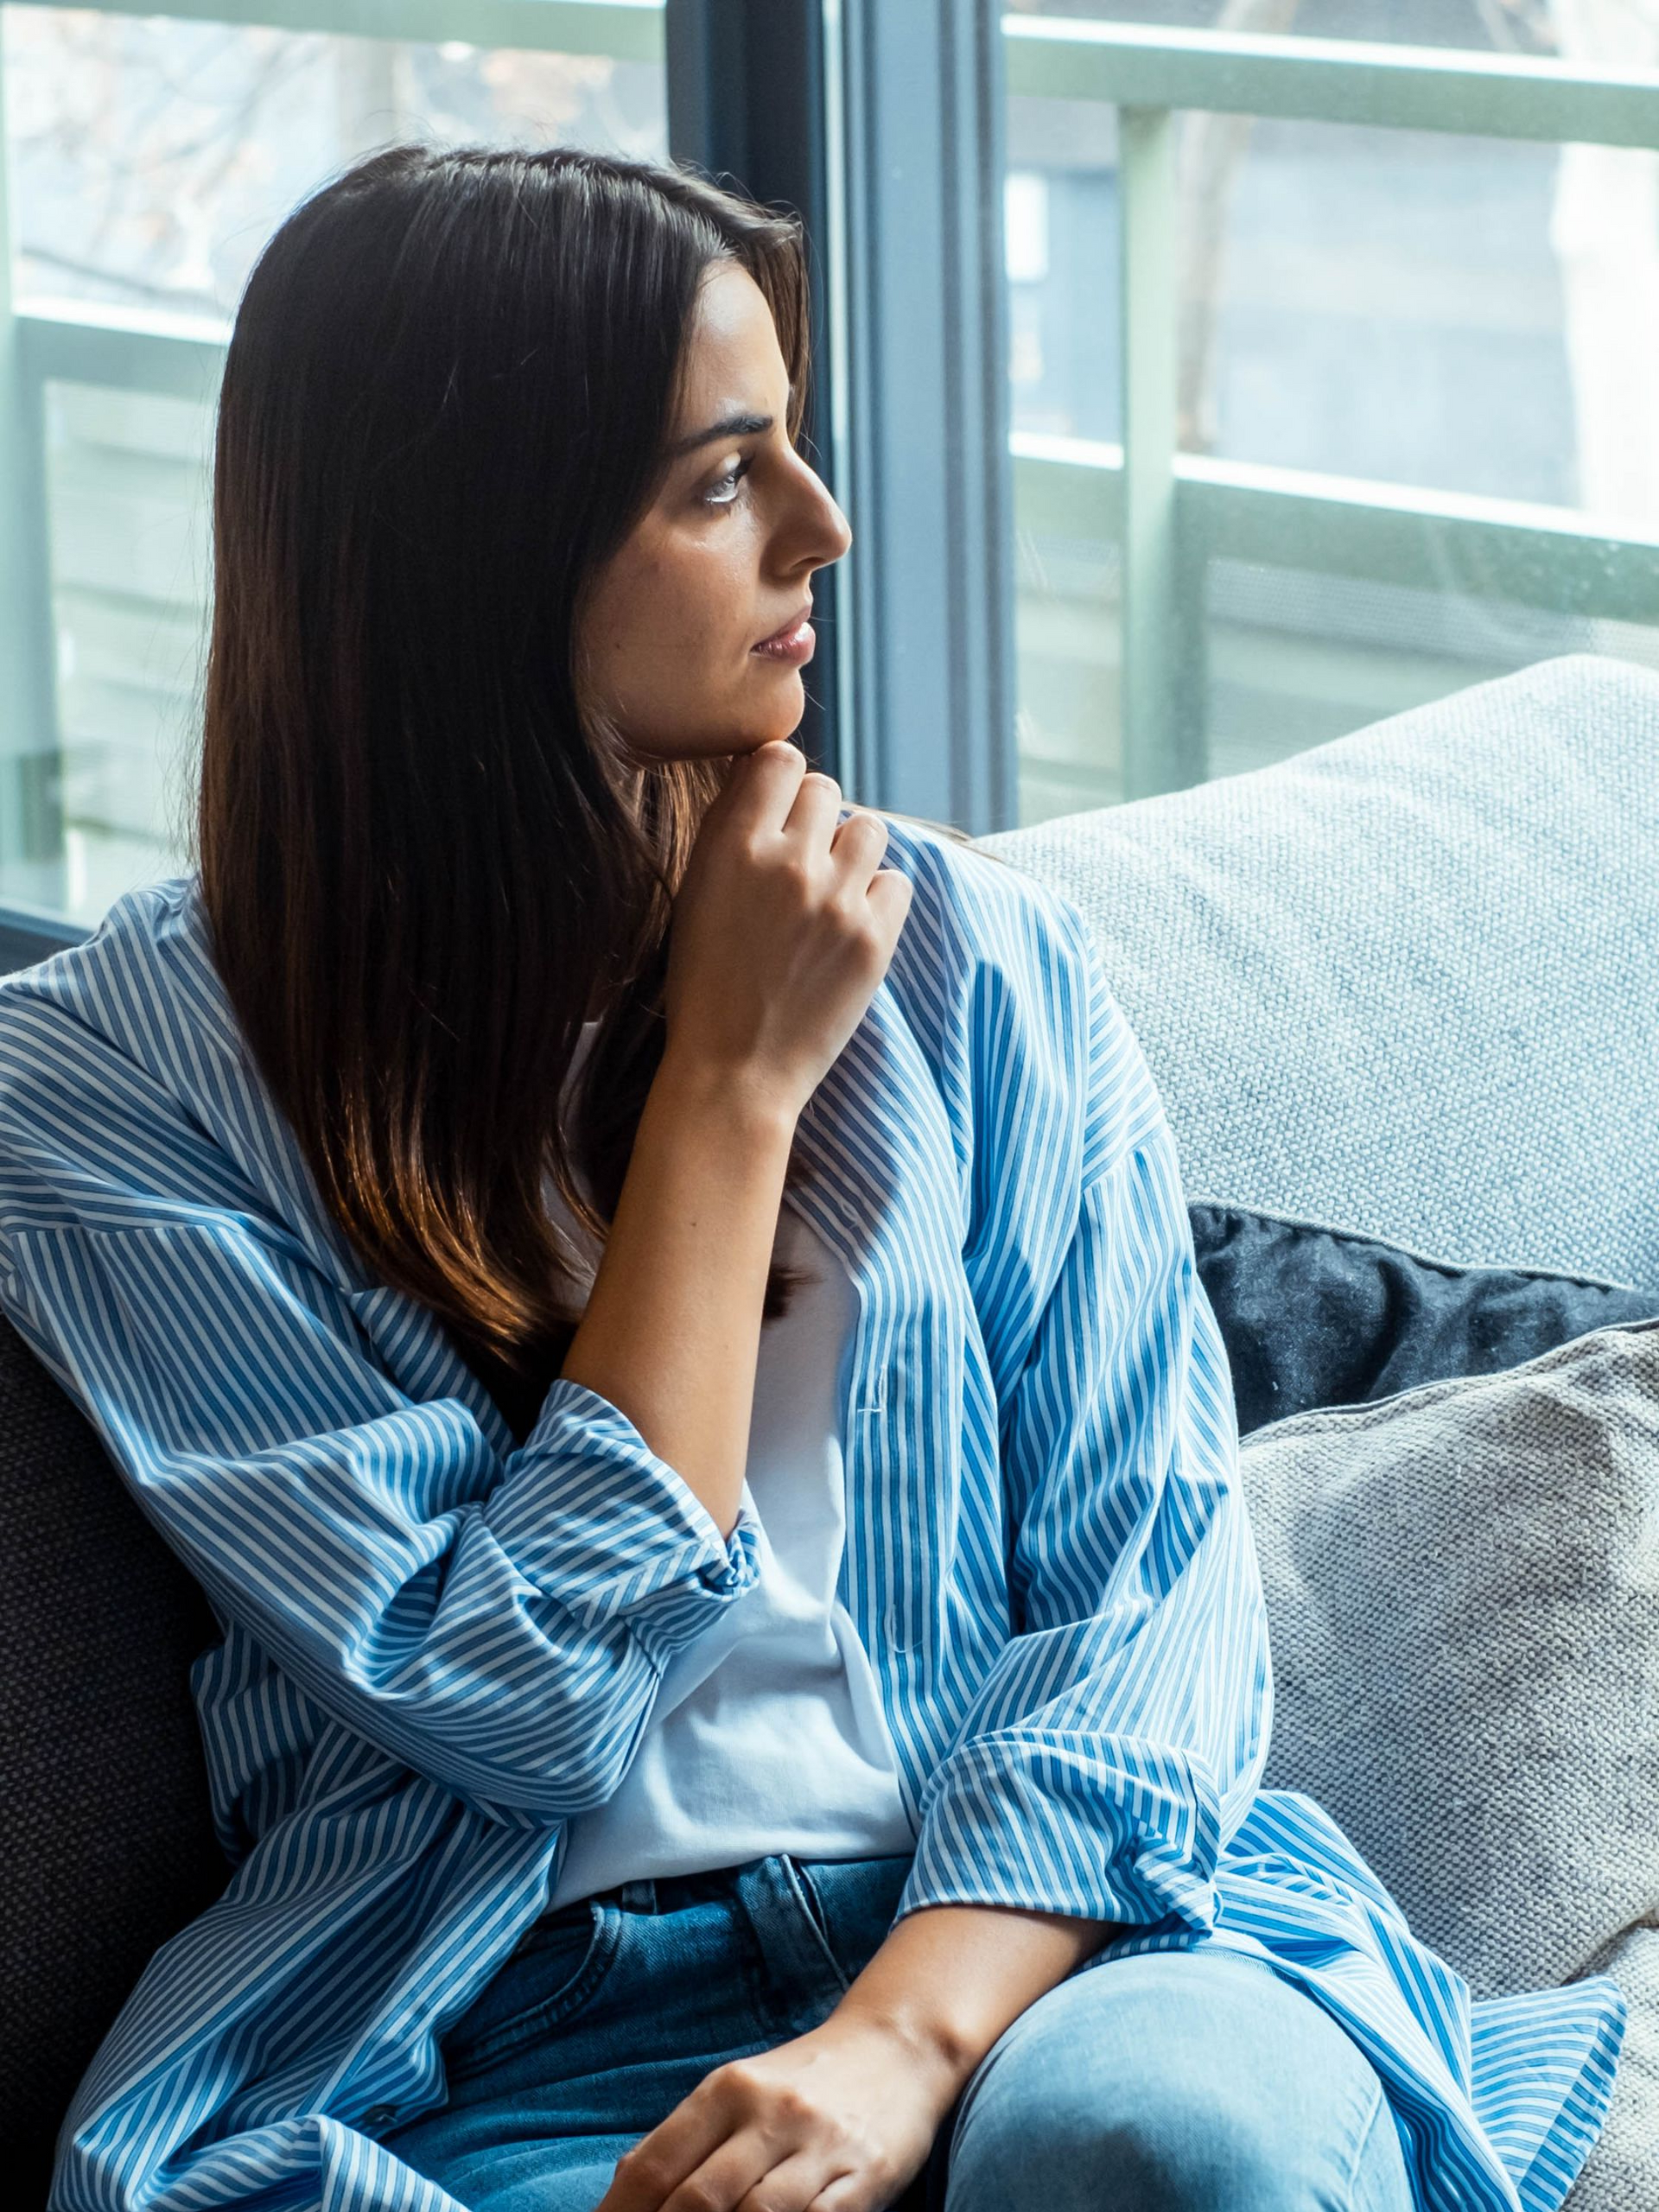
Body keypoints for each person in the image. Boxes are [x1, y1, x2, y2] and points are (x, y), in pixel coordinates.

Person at [0, 145, 1622, 2212]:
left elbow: (1158, 1609)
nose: (825, 527)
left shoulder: (971, 963)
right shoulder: (119, 1090)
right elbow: (520, 1692)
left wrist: (898, 2034)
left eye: (797, 445)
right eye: (720, 478)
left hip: (1043, 1939)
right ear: (473, 558)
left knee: (1172, 2141)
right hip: (480, 2021)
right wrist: (728, 1095)